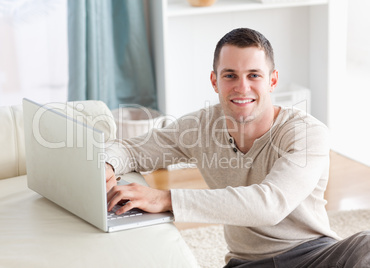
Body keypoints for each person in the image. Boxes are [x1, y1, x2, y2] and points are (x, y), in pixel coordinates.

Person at [104, 28, 370, 267]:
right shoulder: (200, 127)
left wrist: (165, 198)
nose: (242, 88)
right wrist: (108, 164)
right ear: (214, 81)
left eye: (254, 75)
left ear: (272, 80)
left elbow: (270, 204)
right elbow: (132, 150)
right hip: (247, 263)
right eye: (230, 75)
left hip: (314, 257)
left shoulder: (307, 132)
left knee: (365, 245)